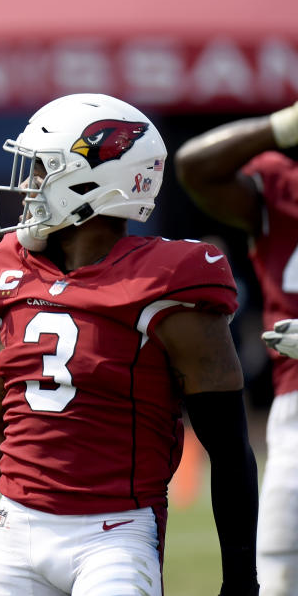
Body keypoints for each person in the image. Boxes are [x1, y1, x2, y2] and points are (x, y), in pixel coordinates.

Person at [0, 93, 260, 596]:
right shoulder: (9, 270)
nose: (26, 186)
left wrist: (241, 580)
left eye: (41, 170)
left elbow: (228, 448)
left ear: (94, 180)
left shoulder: (167, 282)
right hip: (15, 533)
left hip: (114, 535)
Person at [176, 100, 298, 596]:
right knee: (277, 568)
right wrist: (283, 125)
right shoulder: (281, 183)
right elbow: (195, 167)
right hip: (295, 407)